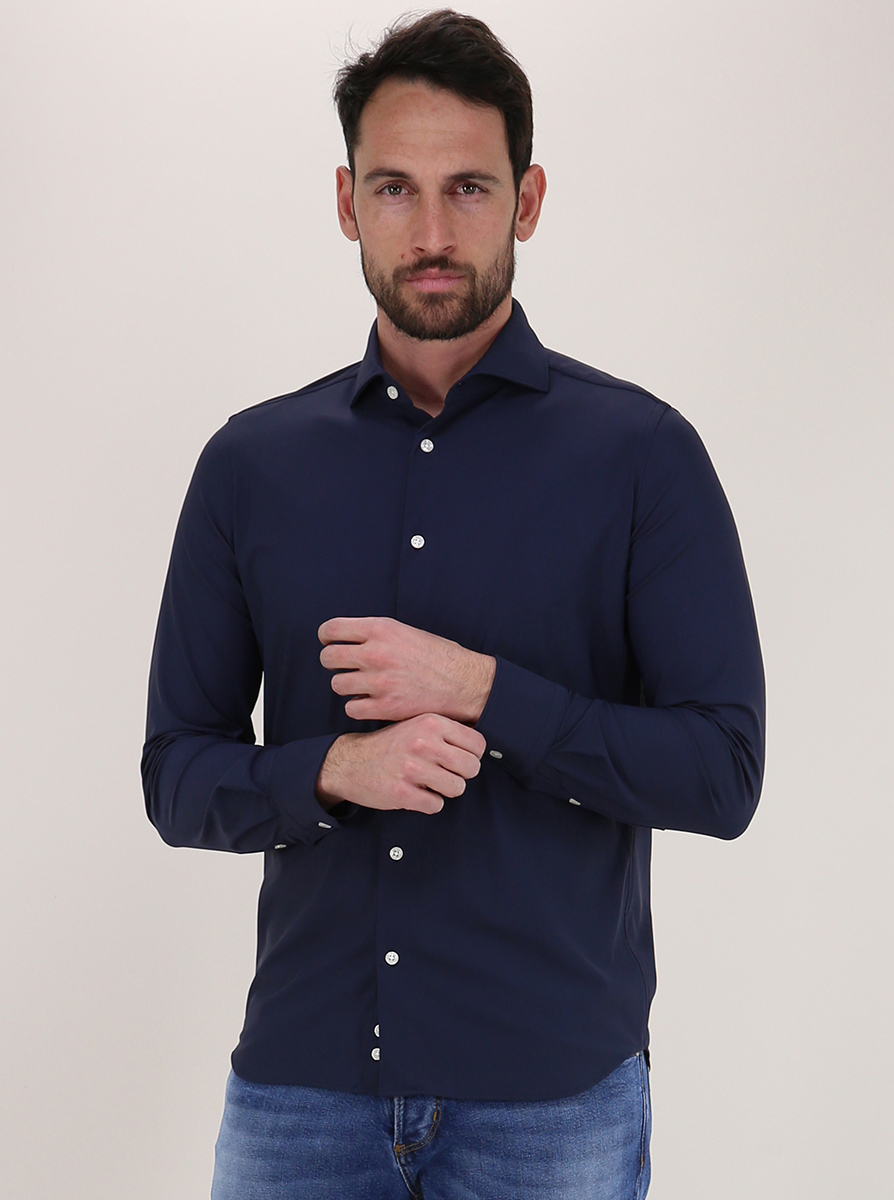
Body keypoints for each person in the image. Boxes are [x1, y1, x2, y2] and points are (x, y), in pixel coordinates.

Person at [142, 10, 765, 1199]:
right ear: (347, 202)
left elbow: (723, 773)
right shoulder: (249, 466)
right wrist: (335, 772)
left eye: (469, 188)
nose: (431, 234)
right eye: (395, 189)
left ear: (529, 200)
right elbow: (175, 773)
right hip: (300, 1095)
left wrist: (485, 692)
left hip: (552, 1106)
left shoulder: (643, 456)